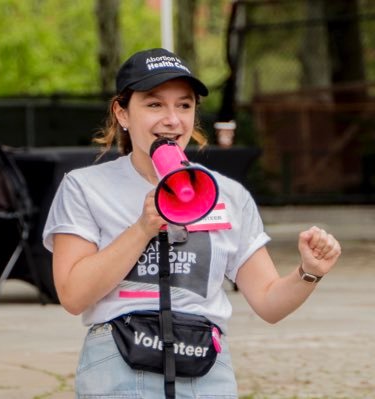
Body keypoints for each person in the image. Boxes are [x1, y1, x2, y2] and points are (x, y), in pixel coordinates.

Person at [43, 48, 341, 398]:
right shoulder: (85, 187)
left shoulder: (228, 195)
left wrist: (310, 271)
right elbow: (73, 295)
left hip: (206, 370)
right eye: (154, 105)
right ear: (122, 112)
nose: (172, 120)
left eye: (184, 106)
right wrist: (143, 228)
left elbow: (268, 302)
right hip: (118, 366)